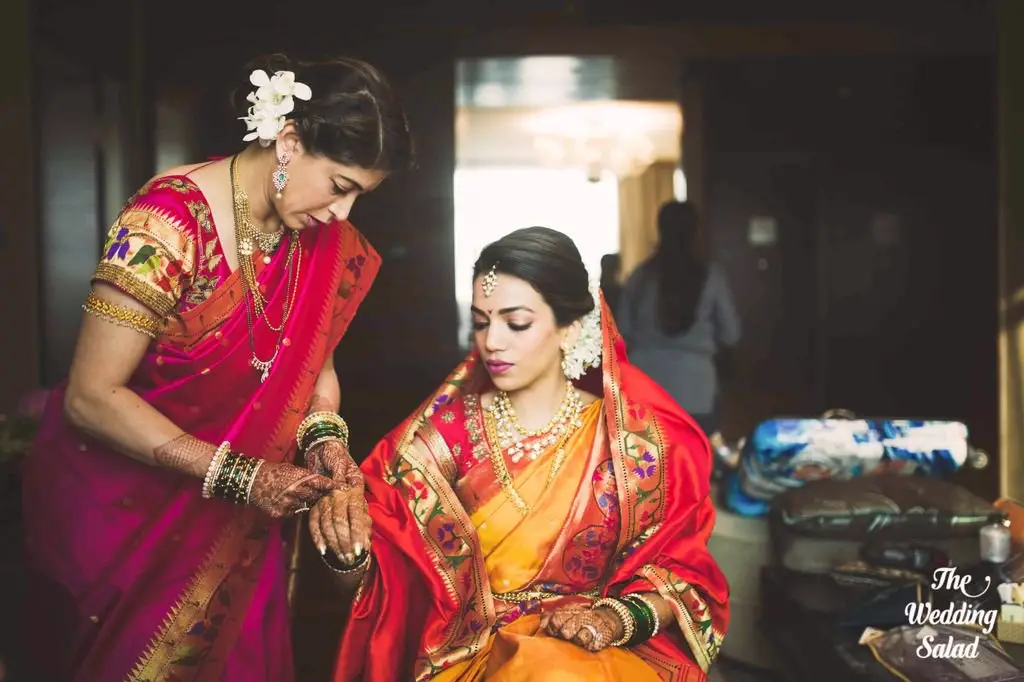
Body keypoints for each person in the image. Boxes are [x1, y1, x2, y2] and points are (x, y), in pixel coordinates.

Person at [20, 53, 413, 682]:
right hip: (119, 521)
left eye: (359, 198)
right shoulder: (165, 225)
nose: (343, 215)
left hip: (235, 535)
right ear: (288, 141)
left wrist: (325, 441)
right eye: (340, 186)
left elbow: (315, 370)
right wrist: (238, 475)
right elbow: (91, 397)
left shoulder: (314, 240)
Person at [322, 227, 729, 682]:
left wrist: (613, 620)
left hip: (598, 652)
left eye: (516, 323)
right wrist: (347, 550)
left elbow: (683, 575)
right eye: (481, 322)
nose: (492, 341)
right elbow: (381, 583)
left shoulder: (637, 443)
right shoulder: (448, 436)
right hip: (471, 653)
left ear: (571, 328)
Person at [618, 201, 740, 438]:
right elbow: (731, 334)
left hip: (646, 383)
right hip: (697, 387)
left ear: (659, 229)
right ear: (695, 231)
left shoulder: (641, 277)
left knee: (650, 468)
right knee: (693, 467)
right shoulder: (711, 276)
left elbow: (622, 330)